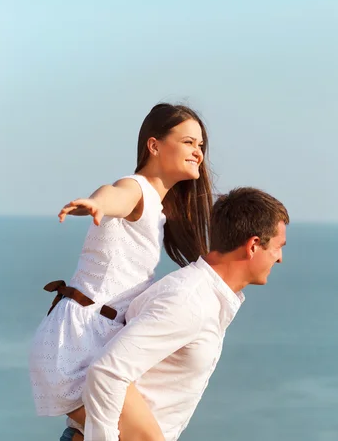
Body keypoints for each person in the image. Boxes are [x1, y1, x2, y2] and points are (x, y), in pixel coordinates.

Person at [29, 103, 213, 441]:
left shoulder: (159, 208)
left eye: (200, 145)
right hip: (79, 340)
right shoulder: (137, 189)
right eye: (188, 142)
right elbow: (115, 195)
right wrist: (97, 204)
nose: (198, 152)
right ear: (154, 145)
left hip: (93, 334)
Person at [73, 187, 289, 441]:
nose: (280, 258)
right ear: (253, 245)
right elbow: (106, 372)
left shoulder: (205, 298)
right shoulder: (188, 300)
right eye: (277, 247)